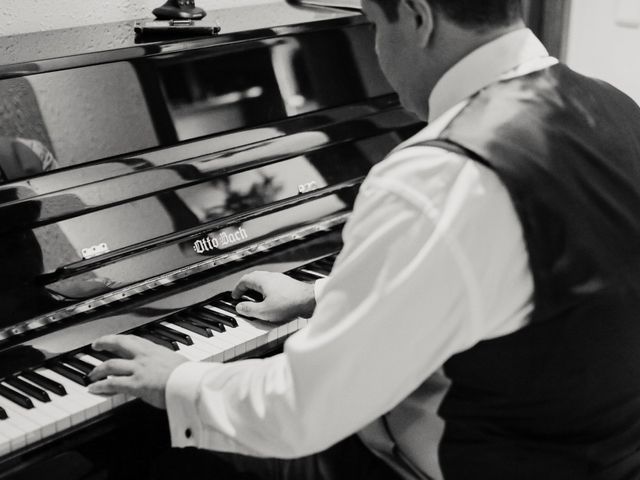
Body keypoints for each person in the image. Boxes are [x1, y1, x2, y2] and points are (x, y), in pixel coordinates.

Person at [88, 0, 640, 478]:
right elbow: (496, 275)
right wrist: (319, 295)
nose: (377, 51)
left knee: (148, 445)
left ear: (419, 16)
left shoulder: (440, 173)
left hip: (457, 464)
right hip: (598, 454)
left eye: (374, 23)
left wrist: (175, 380)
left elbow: (301, 411)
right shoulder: (611, 105)